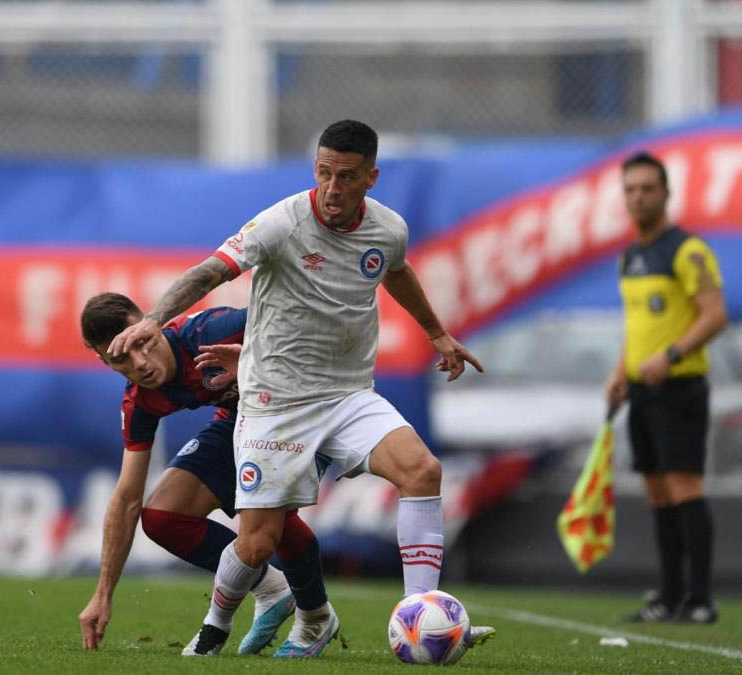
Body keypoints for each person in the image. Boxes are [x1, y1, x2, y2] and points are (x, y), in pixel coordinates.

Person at [109, 120, 495, 657]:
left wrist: (437, 333)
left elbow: (396, 269)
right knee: (258, 540)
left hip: (347, 395)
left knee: (422, 470)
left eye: (346, 177)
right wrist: (155, 319)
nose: (332, 189)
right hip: (274, 403)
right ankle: (214, 632)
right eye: (324, 173)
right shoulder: (281, 223)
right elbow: (209, 273)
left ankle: (420, 616)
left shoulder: (388, 229)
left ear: (371, 178)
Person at [77, 292, 333, 655]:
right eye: (121, 359)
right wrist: (102, 595)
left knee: (265, 518)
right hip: (240, 423)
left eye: (141, 343)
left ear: (153, 324)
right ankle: (271, 589)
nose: (140, 363)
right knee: (164, 516)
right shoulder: (141, 400)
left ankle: (314, 615)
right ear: (106, 361)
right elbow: (127, 496)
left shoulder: (212, 331)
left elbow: (301, 320)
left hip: (306, 415)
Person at [605, 152, 727, 625]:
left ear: (665, 193)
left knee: (683, 487)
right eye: (630, 189)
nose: (638, 197)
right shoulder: (630, 256)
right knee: (656, 492)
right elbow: (637, 328)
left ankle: (700, 599)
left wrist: (671, 356)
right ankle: (669, 596)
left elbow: (714, 315)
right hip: (641, 391)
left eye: (647, 188)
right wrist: (621, 372)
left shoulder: (687, 250)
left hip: (680, 387)